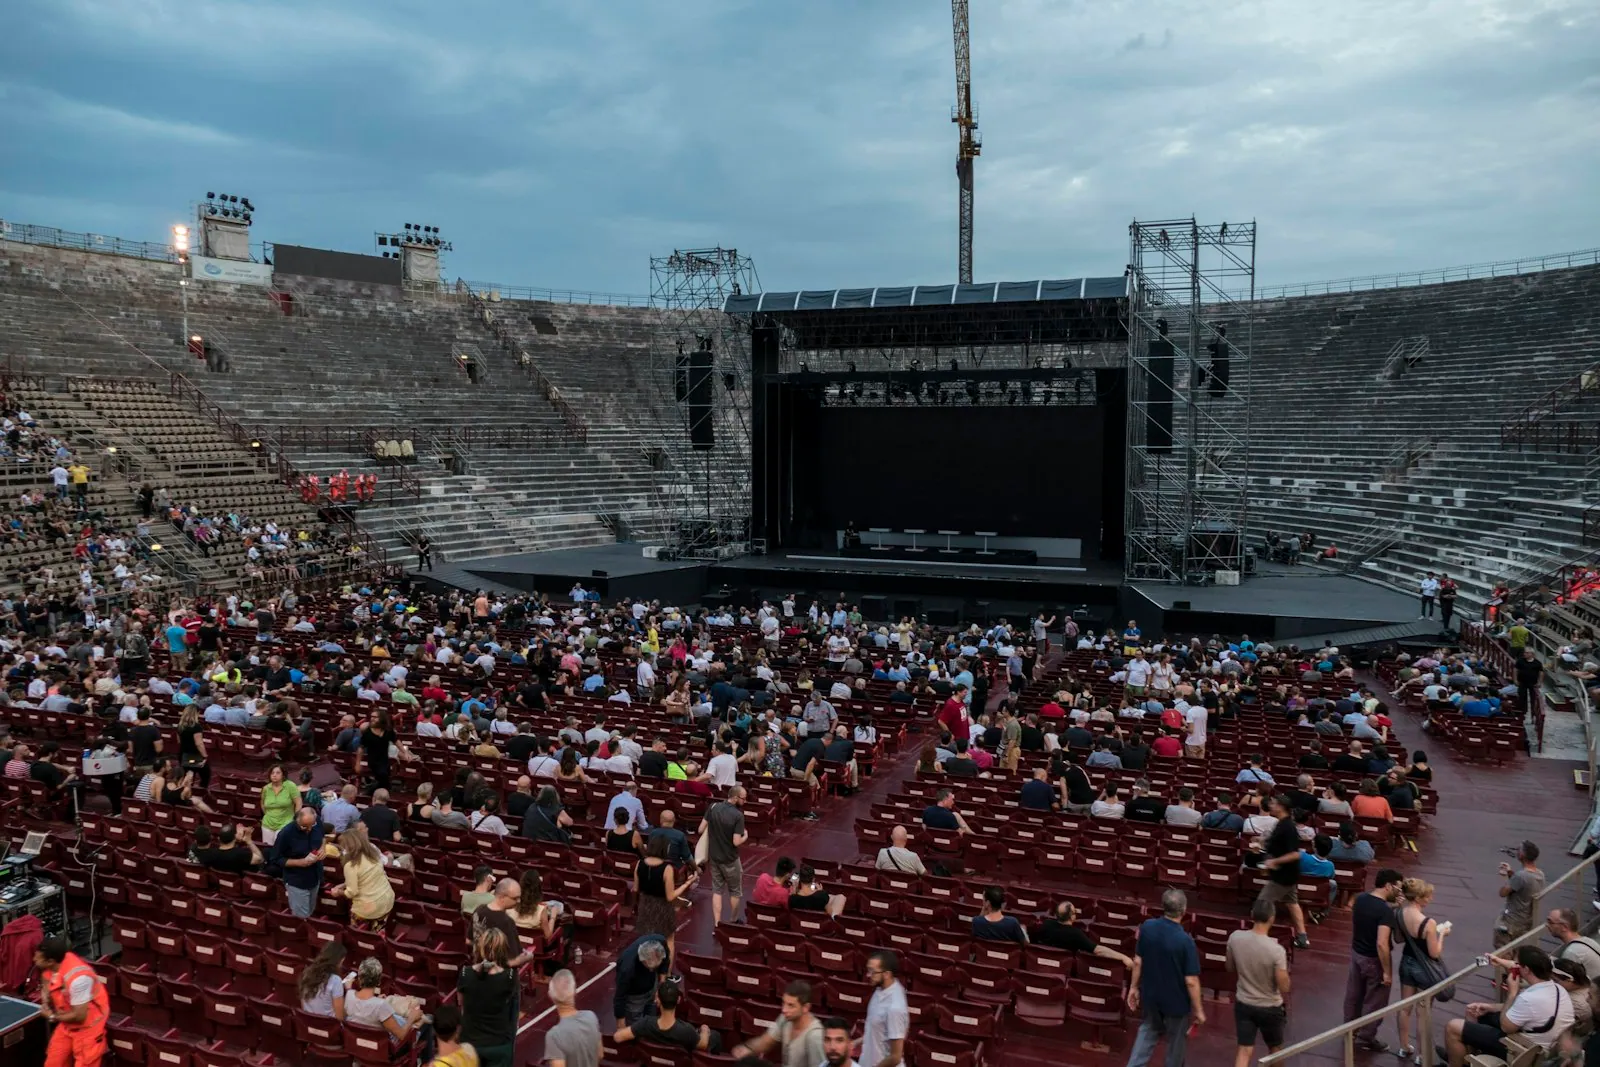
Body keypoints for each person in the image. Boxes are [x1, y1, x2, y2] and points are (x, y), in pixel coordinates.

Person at [1442, 946, 1573, 1066]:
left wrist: (1512, 993)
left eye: (1517, 965)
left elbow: (1506, 1027)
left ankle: (1457, 1060)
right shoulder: (1557, 989)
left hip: (1518, 1050)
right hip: (1542, 1045)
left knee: (1453, 1027)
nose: (1514, 966)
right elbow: (1524, 1011)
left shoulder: (1528, 998)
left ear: (1526, 970)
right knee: (1476, 1013)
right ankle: (1463, 1057)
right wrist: (1490, 1006)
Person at [1125, 888, 1204, 1067]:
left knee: (1147, 1033)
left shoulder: (1147, 927)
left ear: (1163, 907)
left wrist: (1133, 988)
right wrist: (1199, 1010)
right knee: (1175, 1050)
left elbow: (1138, 962)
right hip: (1176, 1005)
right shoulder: (1186, 942)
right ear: (1184, 911)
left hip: (1151, 998)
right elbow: (1191, 981)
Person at [1343, 868, 1403, 1052]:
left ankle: (1349, 1030)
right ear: (1388, 886)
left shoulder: (1361, 899)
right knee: (1375, 1000)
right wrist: (1386, 971)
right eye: (1397, 888)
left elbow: (1374, 910)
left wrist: (1392, 906)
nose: (1399, 892)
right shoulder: (1384, 913)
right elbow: (1382, 943)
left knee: (1354, 995)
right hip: (1373, 960)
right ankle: (1366, 1037)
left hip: (1357, 954)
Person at [1226, 899, 1291, 1067]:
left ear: (1252, 915)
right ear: (1272, 918)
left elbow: (1230, 967)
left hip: (1244, 1003)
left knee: (1244, 1049)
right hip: (1270, 1007)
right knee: (1275, 1049)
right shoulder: (1276, 950)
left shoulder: (1235, 938)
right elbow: (1284, 986)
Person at [1393, 878, 1451, 1059]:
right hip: (1424, 967)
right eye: (1427, 896)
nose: (1430, 899)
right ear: (1418, 898)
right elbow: (1434, 953)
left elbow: (1399, 939)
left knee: (1404, 1007)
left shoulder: (1399, 913)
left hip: (1407, 961)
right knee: (1422, 1012)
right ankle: (1421, 1054)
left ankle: (1403, 1047)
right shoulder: (1428, 923)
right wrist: (1442, 935)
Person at [35, 933, 109, 1067]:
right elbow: (46, 977)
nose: (34, 959)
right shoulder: (56, 961)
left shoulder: (79, 979)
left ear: (50, 961)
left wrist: (51, 1016)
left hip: (88, 1029)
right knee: (53, 1063)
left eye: (38, 958)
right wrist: (46, 999)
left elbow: (79, 1016)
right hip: (66, 1025)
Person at [1255, 795, 1311, 949]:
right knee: (1292, 902)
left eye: (1273, 803)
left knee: (1263, 902)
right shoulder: (1280, 824)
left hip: (1284, 875)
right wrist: (1262, 843)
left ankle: (1262, 936)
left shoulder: (1288, 827)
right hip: (1286, 873)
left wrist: (1274, 861)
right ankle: (1302, 937)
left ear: (1280, 807)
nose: (1270, 805)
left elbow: (1295, 854)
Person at [458, 928, 518, 1067]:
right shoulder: (509, 977)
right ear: (503, 949)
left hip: (469, 1044)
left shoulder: (465, 973)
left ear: (480, 948)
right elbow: (512, 1013)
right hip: (498, 1045)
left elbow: (461, 1004)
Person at [732, 980, 824, 1067]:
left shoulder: (815, 1036)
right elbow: (766, 1041)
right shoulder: (785, 1019)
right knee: (747, 1064)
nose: (784, 1010)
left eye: (791, 1005)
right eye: (784, 1003)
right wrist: (747, 1049)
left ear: (806, 1007)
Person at [613, 980, 718, 1052]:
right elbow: (703, 1045)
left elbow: (618, 1037)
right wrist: (704, 1030)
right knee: (715, 1036)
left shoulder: (646, 1024)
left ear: (657, 1001)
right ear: (678, 1000)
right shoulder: (687, 1030)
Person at [635, 833, 696, 952]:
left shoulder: (639, 863)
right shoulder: (667, 868)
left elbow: (636, 888)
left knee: (646, 941)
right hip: (662, 908)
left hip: (645, 906)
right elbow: (670, 896)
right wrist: (687, 883)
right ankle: (665, 970)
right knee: (669, 940)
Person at [344, 957, 425, 1044]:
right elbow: (401, 1035)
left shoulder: (349, 995)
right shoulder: (381, 1005)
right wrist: (411, 1018)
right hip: (381, 1051)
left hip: (357, 1045)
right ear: (379, 981)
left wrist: (375, 1000)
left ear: (359, 979)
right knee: (426, 1024)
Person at [700, 786, 748, 925]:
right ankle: (733, 921)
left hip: (714, 857)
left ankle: (717, 923)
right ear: (735, 797)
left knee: (717, 890)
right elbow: (736, 841)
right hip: (730, 859)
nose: (745, 801)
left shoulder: (713, 807)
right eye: (743, 798)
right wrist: (745, 836)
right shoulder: (738, 816)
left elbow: (700, 829)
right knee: (735, 891)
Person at [331, 827, 395, 929]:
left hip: (368, 907)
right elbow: (365, 877)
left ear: (347, 846)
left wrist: (338, 892)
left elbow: (352, 892)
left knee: (357, 934)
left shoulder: (350, 865)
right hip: (386, 899)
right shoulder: (373, 854)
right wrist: (344, 884)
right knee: (377, 932)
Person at [1035, 901, 1133, 967]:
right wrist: (1124, 957)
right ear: (1072, 917)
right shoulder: (1075, 934)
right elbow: (1099, 951)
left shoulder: (1046, 924)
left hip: (1042, 965)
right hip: (1065, 969)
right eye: (1075, 912)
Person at [271, 804, 327, 918]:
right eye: (305, 826)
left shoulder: (317, 823)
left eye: (312, 825)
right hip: (297, 880)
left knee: (310, 912)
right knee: (301, 918)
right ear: (297, 821)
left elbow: (323, 837)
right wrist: (300, 862)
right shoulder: (286, 834)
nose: (309, 829)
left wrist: (323, 848)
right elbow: (276, 859)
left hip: (315, 876)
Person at [1496, 840, 1545, 954]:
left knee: (1503, 950)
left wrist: (1504, 877)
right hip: (1526, 919)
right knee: (1518, 950)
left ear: (1522, 855)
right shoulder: (1539, 874)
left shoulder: (1521, 876)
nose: (1517, 851)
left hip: (1512, 920)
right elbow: (1522, 885)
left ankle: (1507, 971)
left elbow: (1503, 892)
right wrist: (1510, 873)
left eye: (1518, 850)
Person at [544, 969, 601, 1067]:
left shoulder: (554, 1036)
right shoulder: (591, 1017)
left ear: (550, 996)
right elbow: (600, 1054)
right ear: (575, 991)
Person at [861, 950, 908, 1067]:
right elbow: (878, 1031)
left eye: (872, 972)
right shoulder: (882, 987)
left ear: (887, 974)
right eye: (868, 970)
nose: (868, 975)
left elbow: (895, 1057)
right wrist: (854, 1043)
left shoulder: (894, 1008)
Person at [612, 933, 671, 1028]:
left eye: (655, 967)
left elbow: (665, 961)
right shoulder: (627, 967)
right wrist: (621, 1022)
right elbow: (620, 996)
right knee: (635, 1028)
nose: (651, 970)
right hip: (634, 998)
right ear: (642, 959)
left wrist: (661, 986)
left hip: (652, 988)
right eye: (649, 967)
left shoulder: (661, 942)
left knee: (652, 1022)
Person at [299, 941, 350, 1019]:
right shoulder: (336, 980)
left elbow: (304, 1007)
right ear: (340, 961)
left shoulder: (306, 973)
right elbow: (340, 1018)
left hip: (308, 1023)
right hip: (329, 1027)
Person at [259, 763, 300, 846]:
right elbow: (263, 804)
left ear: (283, 775)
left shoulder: (290, 786)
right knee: (267, 851)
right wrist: (268, 815)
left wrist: (295, 819)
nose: (274, 775)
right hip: (268, 823)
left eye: (278, 773)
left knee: (280, 848)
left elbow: (298, 803)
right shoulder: (266, 788)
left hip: (285, 823)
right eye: (272, 773)